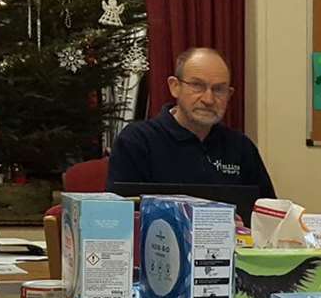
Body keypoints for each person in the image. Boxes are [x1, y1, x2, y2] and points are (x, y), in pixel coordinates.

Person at [108, 47, 276, 198]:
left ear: (229, 95)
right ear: (175, 87)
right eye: (197, 86)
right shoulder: (137, 141)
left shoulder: (241, 147)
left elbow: (268, 217)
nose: (208, 99)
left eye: (218, 89)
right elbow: (122, 219)